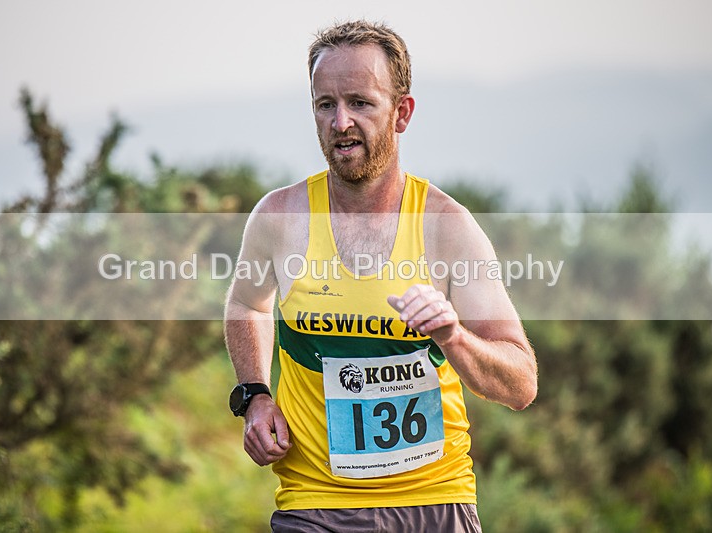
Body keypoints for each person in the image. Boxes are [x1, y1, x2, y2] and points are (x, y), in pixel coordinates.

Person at [224, 20, 537, 532]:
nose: (340, 121)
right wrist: (255, 394)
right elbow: (247, 305)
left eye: (360, 103)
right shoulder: (280, 218)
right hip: (315, 503)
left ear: (402, 112)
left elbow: (520, 384)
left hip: (436, 503)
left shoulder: (446, 228)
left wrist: (453, 336)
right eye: (325, 104)